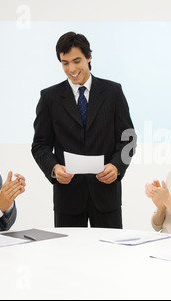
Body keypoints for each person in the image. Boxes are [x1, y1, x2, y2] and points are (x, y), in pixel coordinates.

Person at [32, 32, 136, 228]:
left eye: (76, 60)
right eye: (65, 63)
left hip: (106, 196)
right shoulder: (49, 97)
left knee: (110, 256)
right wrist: (54, 169)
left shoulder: (113, 92)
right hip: (68, 198)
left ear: (89, 57)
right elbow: (40, 145)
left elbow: (128, 139)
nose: (71, 69)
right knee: (69, 257)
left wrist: (116, 166)